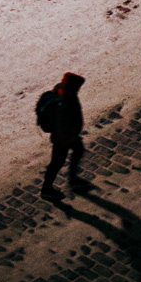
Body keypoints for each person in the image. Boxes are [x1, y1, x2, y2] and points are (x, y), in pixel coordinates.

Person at [40, 72, 91, 201]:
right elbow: (64, 123)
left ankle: (73, 179)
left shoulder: (63, 92)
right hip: (63, 138)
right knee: (57, 163)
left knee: (78, 151)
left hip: (68, 136)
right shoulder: (65, 102)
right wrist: (70, 137)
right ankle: (46, 190)